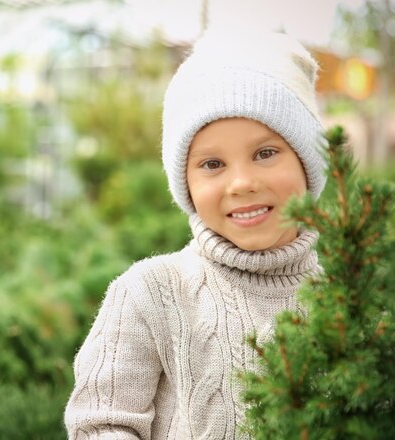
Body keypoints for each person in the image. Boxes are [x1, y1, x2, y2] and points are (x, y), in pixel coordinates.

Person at [64, 27, 327, 439]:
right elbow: (101, 423)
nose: (241, 183)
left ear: (308, 164)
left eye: (265, 153)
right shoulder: (150, 293)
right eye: (212, 164)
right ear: (185, 182)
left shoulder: (347, 304)